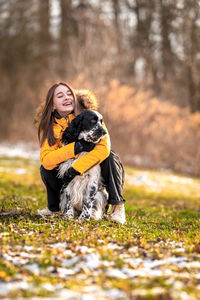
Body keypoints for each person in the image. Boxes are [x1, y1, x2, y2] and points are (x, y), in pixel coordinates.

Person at [35, 82, 126, 224]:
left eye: (69, 93)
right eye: (60, 95)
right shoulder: (50, 126)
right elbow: (46, 159)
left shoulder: (91, 115)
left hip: (88, 170)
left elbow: (103, 148)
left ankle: (117, 206)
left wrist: (76, 169)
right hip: (66, 176)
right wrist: (75, 148)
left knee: (111, 157)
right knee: (46, 169)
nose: (66, 97)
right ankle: (55, 208)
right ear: (52, 105)